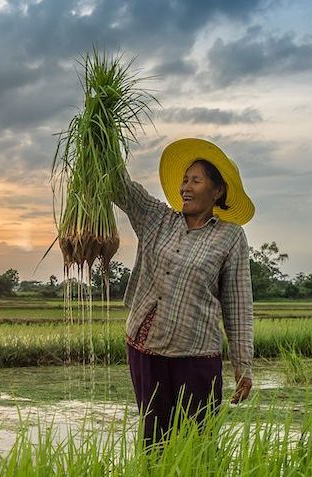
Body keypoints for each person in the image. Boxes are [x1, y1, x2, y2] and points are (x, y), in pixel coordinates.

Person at [113, 138, 255, 445]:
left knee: (198, 443)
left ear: (217, 191)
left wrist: (243, 366)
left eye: (196, 180)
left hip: (196, 355)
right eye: (184, 180)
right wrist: (103, 135)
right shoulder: (158, 218)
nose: (185, 187)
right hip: (145, 349)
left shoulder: (230, 237)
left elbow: (238, 306)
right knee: (154, 442)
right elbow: (120, 187)